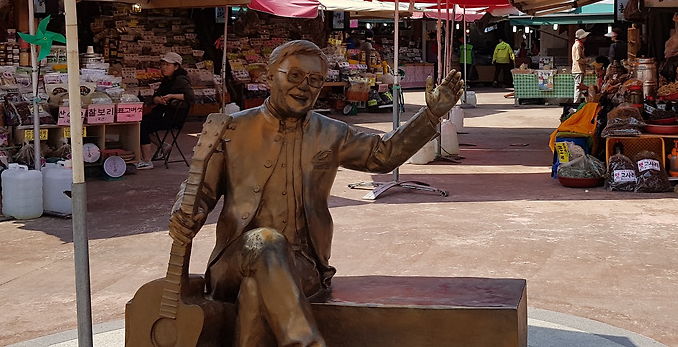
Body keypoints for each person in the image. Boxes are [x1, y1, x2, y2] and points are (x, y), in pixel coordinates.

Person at [168, 40, 464, 346]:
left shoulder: (331, 132)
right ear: (269, 76)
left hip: (303, 265)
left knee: (255, 292)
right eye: (294, 76)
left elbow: (382, 155)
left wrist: (430, 115)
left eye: (314, 80)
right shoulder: (231, 129)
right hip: (233, 263)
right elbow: (201, 189)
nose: (304, 86)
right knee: (266, 241)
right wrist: (187, 212)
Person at [138, 51, 195, 169]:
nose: (164, 67)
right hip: (162, 113)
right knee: (139, 124)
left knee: (143, 126)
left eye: (167, 65)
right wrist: (158, 100)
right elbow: (155, 96)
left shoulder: (180, 80)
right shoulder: (167, 80)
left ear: (176, 66)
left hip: (172, 117)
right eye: (163, 64)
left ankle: (147, 161)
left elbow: (190, 97)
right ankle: (163, 145)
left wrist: (172, 96)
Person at [571, 29, 590, 103]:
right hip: (578, 69)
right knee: (578, 88)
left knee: (578, 87)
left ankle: (576, 102)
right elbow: (578, 58)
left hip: (578, 69)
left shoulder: (578, 44)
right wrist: (586, 61)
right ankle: (576, 103)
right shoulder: (578, 45)